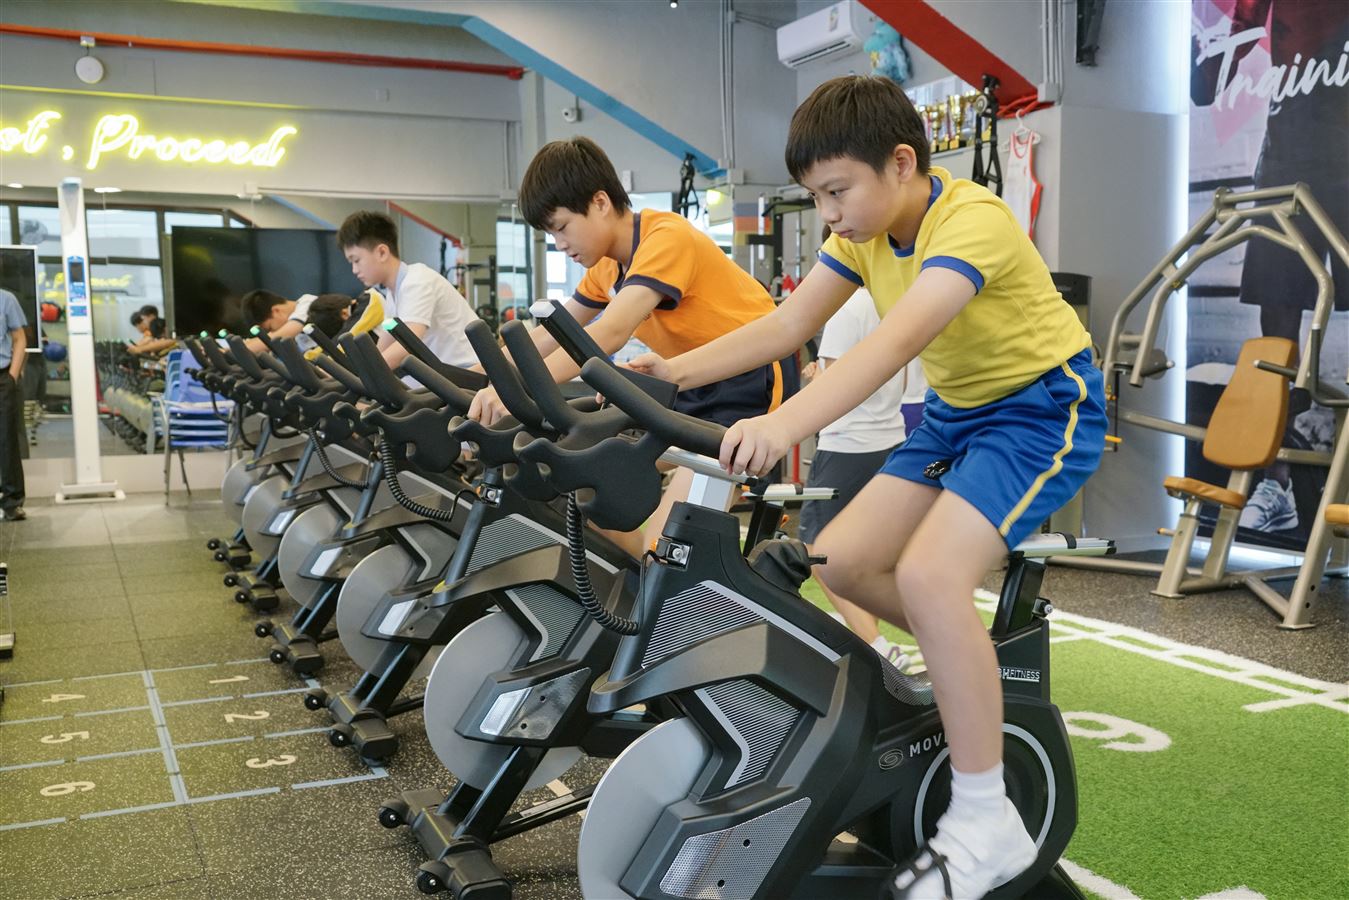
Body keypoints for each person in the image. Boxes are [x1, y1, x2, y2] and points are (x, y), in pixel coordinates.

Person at [627, 75, 1106, 898]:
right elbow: (787, 324)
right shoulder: (859, 236)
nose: (829, 213)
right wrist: (668, 374)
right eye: (817, 196)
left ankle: (985, 816)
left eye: (837, 191)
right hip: (956, 415)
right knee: (842, 561)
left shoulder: (972, 220)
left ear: (901, 163)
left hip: (1039, 410)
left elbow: (892, 345)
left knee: (929, 576)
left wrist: (784, 425)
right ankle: (969, 672)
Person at [469, 136, 794, 557]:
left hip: (747, 378)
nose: (559, 244)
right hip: (683, 383)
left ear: (600, 202)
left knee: (665, 546)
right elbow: (548, 335)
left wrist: (518, 388)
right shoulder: (606, 266)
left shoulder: (665, 238)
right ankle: (635, 580)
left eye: (562, 227)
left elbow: (609, 333)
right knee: (578, 497)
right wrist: (477, 378)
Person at [799, 249, 910, 670]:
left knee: (816, 551)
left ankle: (876, 645)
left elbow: (836, 386)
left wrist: (816, 378)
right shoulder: (890, 303)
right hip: (888, 438)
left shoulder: (846, 309)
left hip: (846, 444)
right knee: (860, 553)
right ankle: (872, 643)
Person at [337, 211, 477, 375]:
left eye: (356, 260)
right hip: (443, 376)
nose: (354, 270)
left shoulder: (416, 281)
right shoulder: (393, 294)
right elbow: (386, 341)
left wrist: (366, 374)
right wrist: (357, 371)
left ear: (382, 252)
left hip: (468, 374)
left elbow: (409, 342)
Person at [0, 287, 28, 521]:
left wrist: (12, 376)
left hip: (2, 377)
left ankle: (12, 502)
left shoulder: (6, 299)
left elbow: (19, 338)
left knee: (6, 438)